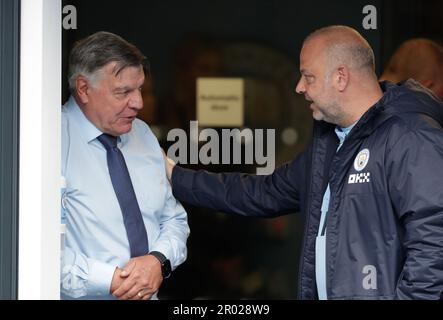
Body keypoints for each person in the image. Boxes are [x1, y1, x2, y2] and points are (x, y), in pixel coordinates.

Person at [163, 25, 443, 299]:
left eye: (308, 77)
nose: (299, 87)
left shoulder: (411, 136)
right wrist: (175, 176)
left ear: (340, 77)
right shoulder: (330, 146)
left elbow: (434, 247)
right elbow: (260, 192)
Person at [61, 31, 189, 300]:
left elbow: (173, 218)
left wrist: (158, 261)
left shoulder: (142, 134)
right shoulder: (48, 143)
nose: (139, 103)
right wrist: (114, 280)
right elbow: (34, 250)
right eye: (123, 92)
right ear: (84, 88)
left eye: (139, 88)